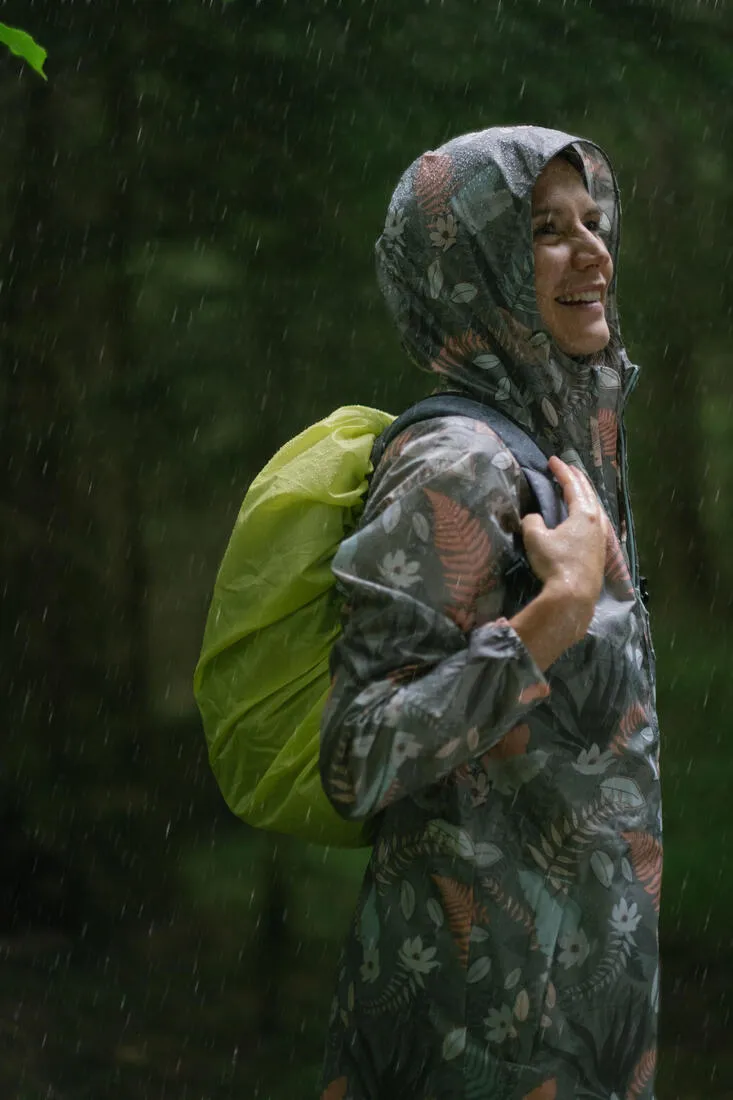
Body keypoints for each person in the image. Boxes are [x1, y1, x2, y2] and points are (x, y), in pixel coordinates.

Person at [319, 126, 660, 1100]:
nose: (592, 249)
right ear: (466, 265)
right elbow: (355, 752)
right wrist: (551, 618)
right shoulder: (460, 465)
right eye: (545, 229)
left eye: (591, 220)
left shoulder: (559, 445)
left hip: (567, 1010)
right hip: (472, 1028)